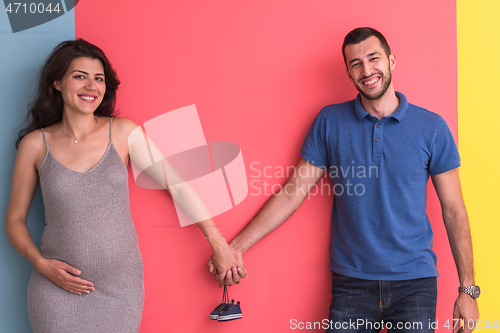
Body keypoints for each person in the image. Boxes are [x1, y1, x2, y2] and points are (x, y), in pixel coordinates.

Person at [208, 27, 479, 332]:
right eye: (355, 64)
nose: (367, 70)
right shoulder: (329, 121)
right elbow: (292, 193)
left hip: (415, 283)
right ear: (349, 74)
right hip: (352, 283)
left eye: (374, 58)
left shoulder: (431, 127)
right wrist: (237, 248)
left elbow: (454, 210)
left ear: (391, 60)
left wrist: (467, 289)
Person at [5, 39, 245, 333]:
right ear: (56, 83)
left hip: (120, 288)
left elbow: (178, 186)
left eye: (99, 79)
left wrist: (218, 243)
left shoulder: (123, 132)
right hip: (56, 289)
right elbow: (15, 220)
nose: (91, 86)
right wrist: (41, 265)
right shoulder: (34, 144)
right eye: (80, 76)